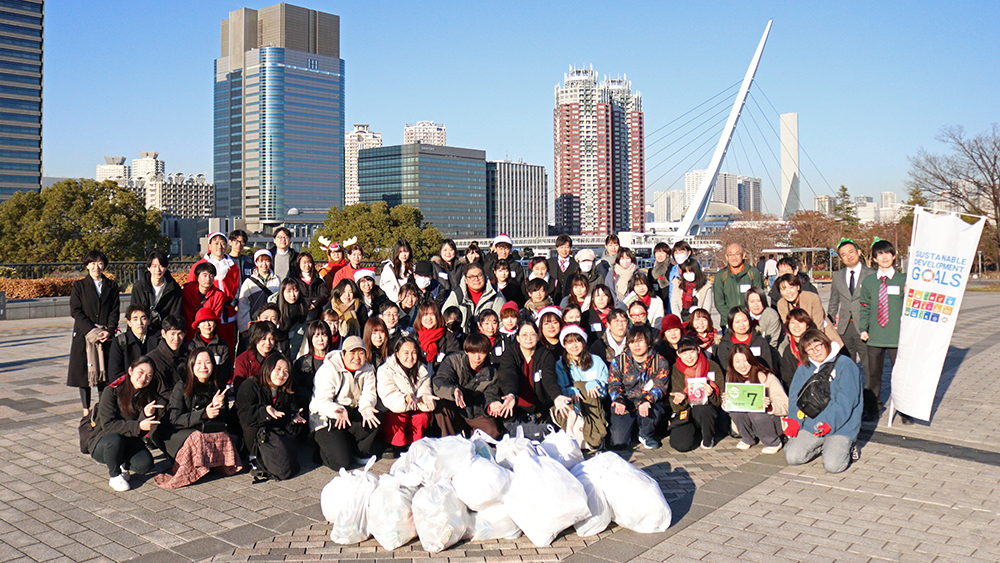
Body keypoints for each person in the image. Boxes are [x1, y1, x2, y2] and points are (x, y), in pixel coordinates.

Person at [155, 348, 241, 489]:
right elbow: (174, 419)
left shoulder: (217, 384)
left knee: (223, 435)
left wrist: (219, 407)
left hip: (203, 427)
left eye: (208, 363)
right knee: (197, 438)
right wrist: (204, 413)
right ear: (191, 365)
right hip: (177, 432)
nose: (203, 367)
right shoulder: (182, 385)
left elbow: (223, 419)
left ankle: (214, 465)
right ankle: (190, 470)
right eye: (199, 363)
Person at [785, 329, 862, 474]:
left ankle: (848, 445)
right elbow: (795, 395)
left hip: (840, 424)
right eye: (810, 350)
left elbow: (846, 400)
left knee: (833, 466)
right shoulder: (804, 368)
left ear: (825, 342)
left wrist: (829, 423)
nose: (815, 351)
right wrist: (794, 419)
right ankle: (822, 445)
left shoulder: (846, 364)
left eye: (818, 346)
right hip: (812, 423)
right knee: (792, 457)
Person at [310, 336, 382, 471]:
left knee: (375, 417)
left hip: (351, 413)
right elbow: (321, 401)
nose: (357, 357)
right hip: (327, 418)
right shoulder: (329, 369)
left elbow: (369, 393)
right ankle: (321, 452)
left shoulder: (367, 369)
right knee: (342, 463)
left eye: (361, 353)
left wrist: (366, 407)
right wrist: (337, 409)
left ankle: (358, 451)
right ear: (343, 353)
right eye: (352, 353)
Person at [87, 356, 159, 491]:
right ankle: (114, 475)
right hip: (104, 441)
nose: (144, 379)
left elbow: (142, 429)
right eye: (141, 373)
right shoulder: (112, 390)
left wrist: (146, 414)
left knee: (145, 465)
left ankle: (123, 465)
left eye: (149, 376)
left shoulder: (147, 393)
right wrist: (137, 426)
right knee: (115, 439)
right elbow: (108, 425)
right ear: (130, 371)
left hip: (128, 440)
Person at [858, 238, 908, 423]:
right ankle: (872, 408)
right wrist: (863, 328)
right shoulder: (870, 281)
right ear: (874, 258)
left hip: (898, 337)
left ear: (894, 256)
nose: (884, 257)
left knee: (901, 374)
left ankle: (904, 409)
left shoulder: (904, 280)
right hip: (874, 337)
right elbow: (864, 307)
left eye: (887, 253)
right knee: (872, 375)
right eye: (880, 254)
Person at [236, 353, 307, 480]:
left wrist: (293, 418)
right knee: (253, 423)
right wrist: (264, 412)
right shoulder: (251, 385)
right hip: (247, 432)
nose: (282, 375)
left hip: (271, 434)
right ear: (268, 368)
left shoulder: (286, 391)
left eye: (286, 371)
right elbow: (242, 415)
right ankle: (252, 456)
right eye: (278, 369)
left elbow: (288, 421)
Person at [68, 250, 120, 417]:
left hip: (105, 336)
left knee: (105, 374)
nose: (96, 267)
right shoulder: (79, 286)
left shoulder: (111, 286)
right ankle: (86, 410)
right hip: (85, 335)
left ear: (104, 265)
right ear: (87, 265)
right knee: (84, 375)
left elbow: (115, 310)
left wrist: (109, 330)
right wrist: (91, 330)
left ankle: (103, 408)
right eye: (92, 263)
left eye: (99, 263)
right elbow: (76, 311)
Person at [494, 321, 566, 434]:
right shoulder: (510, 354)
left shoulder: (546, 355)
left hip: (539, 405)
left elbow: (549, 378)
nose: (529, 338)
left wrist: (556, 396)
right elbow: (509, 375)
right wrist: (511, 394)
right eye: (524, 335)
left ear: (538, 337)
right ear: (517, 338)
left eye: (533, 334)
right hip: (515, 405)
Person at [608, 325, 670, 450]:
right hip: (627, 402)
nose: (636, 345)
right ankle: (628, 431)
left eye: (640, 341)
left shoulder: (660, 361)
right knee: (619, 443)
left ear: (648, 342)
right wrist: (618, 399)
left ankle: (646, 435)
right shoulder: (619, 361)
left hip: (648, 402)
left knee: (655, 409)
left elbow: (660, 387)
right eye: (632, 342)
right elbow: (614, 384)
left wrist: (647, 400)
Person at [432, 334, 503, 439]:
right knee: (441, 405)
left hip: (476, 410)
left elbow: (491, 392)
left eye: (482, 353)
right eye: (473, 352)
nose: (477, 357)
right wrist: (453, 391)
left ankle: (471, 434)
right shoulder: (453, 360)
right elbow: (439, 381)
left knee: (493, 433)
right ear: (466, 351)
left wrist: (492, 402)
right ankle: (449, 441)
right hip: (455, 406)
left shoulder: (492, 372)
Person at [723, 343, 788, 454]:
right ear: (732, 364)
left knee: (756, 413)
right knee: (735, 412)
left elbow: (786, 406)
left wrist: (770, 406)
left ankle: (773, 442)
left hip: (771, 422)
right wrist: (726, 402)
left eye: (745, 360)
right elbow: (728, 408)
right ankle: (748, 438)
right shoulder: (732, 378)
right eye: (737, 362)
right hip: (751, 423)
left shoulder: (767, 377)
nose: (742, 365)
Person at [554, 325, 608, 450]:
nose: (574, 346)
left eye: (577, 341)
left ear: (583, 342)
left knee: (586, 387)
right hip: (574, 406)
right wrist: (570, 389)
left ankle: (595, 434)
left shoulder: (596, 361)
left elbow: (605, 389)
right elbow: (559, 388)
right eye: (569, 342)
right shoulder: (560, 364)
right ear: (564, 345)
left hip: (593, 405)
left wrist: (595, 384)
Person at [376, 337, 438, 448]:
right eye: (406, 353)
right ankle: (395, 445)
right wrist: (406, 399)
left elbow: (425, 390)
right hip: (393, 410)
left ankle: (415, 445)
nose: (410, 357)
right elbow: (390, 398)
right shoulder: (385, 370)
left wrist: (423, 399)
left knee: (422, 417)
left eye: (414, 353)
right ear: (397, 354)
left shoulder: (423, 370)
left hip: (415, 408)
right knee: (399, 417)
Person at [186, 232, 240, 353]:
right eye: (215, 243)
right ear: (209, 245)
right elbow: (191, 287)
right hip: (204, 313)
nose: (219, 246)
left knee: (226, 346)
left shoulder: (233, 266)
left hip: (226, 313)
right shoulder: (199, 265)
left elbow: (236, 287)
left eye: (222, 243)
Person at [668, 337, 725, 451]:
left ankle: (708, 438)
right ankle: (694, 432)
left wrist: (711, 394)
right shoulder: (675, 369)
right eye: (684, 353)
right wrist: (684, 397)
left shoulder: (712, 366)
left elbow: (719, 401)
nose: (689, 356)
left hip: (706, 411)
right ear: (678, 354)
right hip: (685, 411)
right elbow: (675, 406)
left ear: (698, 350)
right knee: (681, 445)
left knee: (703, 409)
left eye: (692, 351)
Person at [827, 238, 874, 370]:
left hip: (865, 326)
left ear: (859, 252)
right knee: (846, 365)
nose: (848, 256)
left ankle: (869, 390)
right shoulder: (837, 276)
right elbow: (833, 301)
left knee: (869, 365)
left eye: (851, 252)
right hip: (844, 328)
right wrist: (830, 323)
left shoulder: (871, 274)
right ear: (841, 259)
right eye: (844, 254)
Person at [775, 273, 843, 346]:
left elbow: (818, 325)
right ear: (780, 292)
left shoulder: (812, 298)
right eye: (784, 289)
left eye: (791, 287)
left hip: (822, 336)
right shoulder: (781, 303)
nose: (788, 292)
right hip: (798, 340)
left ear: (798, 287)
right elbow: (788, 327)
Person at [442, 263, 506, 333]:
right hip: (462, 337)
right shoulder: (458, 294)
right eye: (472, 277)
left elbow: (502, 320)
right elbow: (445, 317)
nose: (476, 279)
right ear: (466, 279)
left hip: (488, 337)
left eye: (479, 275)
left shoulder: (495, 293)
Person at [130, 250, 182, 335]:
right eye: (154, 266)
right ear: (148, 268)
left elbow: (176, 315)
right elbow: (134, 312)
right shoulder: (139, 287)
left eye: (161, 266)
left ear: (166, 267)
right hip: (143, 330)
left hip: (165, 332)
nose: (158, 270)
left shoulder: (174, 288)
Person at [715, 306, 779, 375]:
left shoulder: (760, 341)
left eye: (745, 320)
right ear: (731, 324)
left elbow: (767, 365)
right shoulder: (725, 344)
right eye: (737, 322)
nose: (741, 325)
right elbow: (724, 369)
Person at [182, 307, 232, 389]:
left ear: (215, 324)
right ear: (198, 325)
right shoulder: (189, 346)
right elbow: (186, 370)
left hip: (217, 388)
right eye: (203, 321)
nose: (207, 324)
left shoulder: (223, 345)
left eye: (210, 320)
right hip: (194, 389)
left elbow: (225, 371)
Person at [713, 243, 764, 322]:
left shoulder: (753, 273)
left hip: (751, 320)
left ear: (743, 255)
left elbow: (759, 298)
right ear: (726, 257)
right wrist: (732, 318)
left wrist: (748, 317)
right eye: (730, 255)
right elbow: (719, 302)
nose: (734, 257)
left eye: (737, 254)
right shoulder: (721, 276)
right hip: (728, 321)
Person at [292, 320, 333, 412]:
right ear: (310, 338)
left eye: (324, 335)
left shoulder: (335, 360)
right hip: (308, 407)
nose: (320, 339)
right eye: (316, 335)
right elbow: (296, 387)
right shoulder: (302, 362)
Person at [109, 304, 156, 382]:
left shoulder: (158, 339)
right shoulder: (120, 341)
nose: (139, 323)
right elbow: (114, 373)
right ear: (129, 323)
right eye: (135, 319)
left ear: (148, 321)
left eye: (143, 318)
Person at [237, 249, 281, 334]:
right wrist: (245, 327)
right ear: (256, 263)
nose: (264, 264)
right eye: (261, 261)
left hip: (273, 324)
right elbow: (243, 306)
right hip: (255, 324)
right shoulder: (249, 282)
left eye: (267, 261)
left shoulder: (278, 280)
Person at [181, 262, 227, 341]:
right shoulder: (187, 292)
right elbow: (188, 318)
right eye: (204, 275)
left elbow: (215, 319)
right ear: (197, 277)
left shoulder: (219, 295)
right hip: (190, 334)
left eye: (211, 276)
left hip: (209, 333)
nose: (208, 279)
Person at [231, 320, 282, 392]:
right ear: (255, 338)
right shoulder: (243, 359)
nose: (268, 343)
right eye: (263, 339)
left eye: (271, 339)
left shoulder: (278, 358)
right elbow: (239, 387)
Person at [147, 315, 187, 403]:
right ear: (163, 334)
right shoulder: (152, 360)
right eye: (172, 334)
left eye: (180, 334)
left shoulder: (188, 356)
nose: (176, 338)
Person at [268, 278, 309, 358]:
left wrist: (292, 356)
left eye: (295, 290)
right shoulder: (273, 305)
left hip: (289, 345)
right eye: (288, 291)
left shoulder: (301, 307)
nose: (293, 295)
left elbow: (299, 335)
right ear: (282, 292)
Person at [414, 301, 460, 369]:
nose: (429, 318)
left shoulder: (448, 336)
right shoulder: (414, 336)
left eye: (432, 314)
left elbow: (454, 359)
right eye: (425, 315)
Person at [777, 309, 816, 389]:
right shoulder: (788, 350)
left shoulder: (815, 344)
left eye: (800, 322)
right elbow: (787, 378)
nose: (796, 326)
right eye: (793, 323)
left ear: (807, 325)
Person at [670, 258, 715, 324]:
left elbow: (707, 307)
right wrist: (679, 321)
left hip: (700, 320)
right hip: (682, 318)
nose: (688, 274)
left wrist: (699, 322)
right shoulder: (677, 283)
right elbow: (674, 304)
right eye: (685, 272)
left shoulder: (706, 285)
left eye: (690, 271)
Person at [296, 252, 331, 319]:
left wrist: (316, 302)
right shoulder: (295, 280)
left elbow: (325, 294)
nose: (307, 265)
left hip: (316, 314)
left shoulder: (318, 280)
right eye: (304, 262)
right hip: (299, 314)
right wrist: (307, 302)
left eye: (309, 262)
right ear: (299, 264)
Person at [547, 234, 578, 303]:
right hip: (553, 300)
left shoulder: (576, 263)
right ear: (557, 248)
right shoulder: (549, 263)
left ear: (570, 248)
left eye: (567, 247)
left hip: (571, 300)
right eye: (561, 247)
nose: (564, 250)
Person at [666, 241, 694, 313]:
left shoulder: (695, 268)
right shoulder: (673, 270)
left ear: (689, 252)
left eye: (681, 252)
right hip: (676, 307)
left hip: (691, 307)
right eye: (676, 252)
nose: (679, 255)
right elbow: (671, 292)